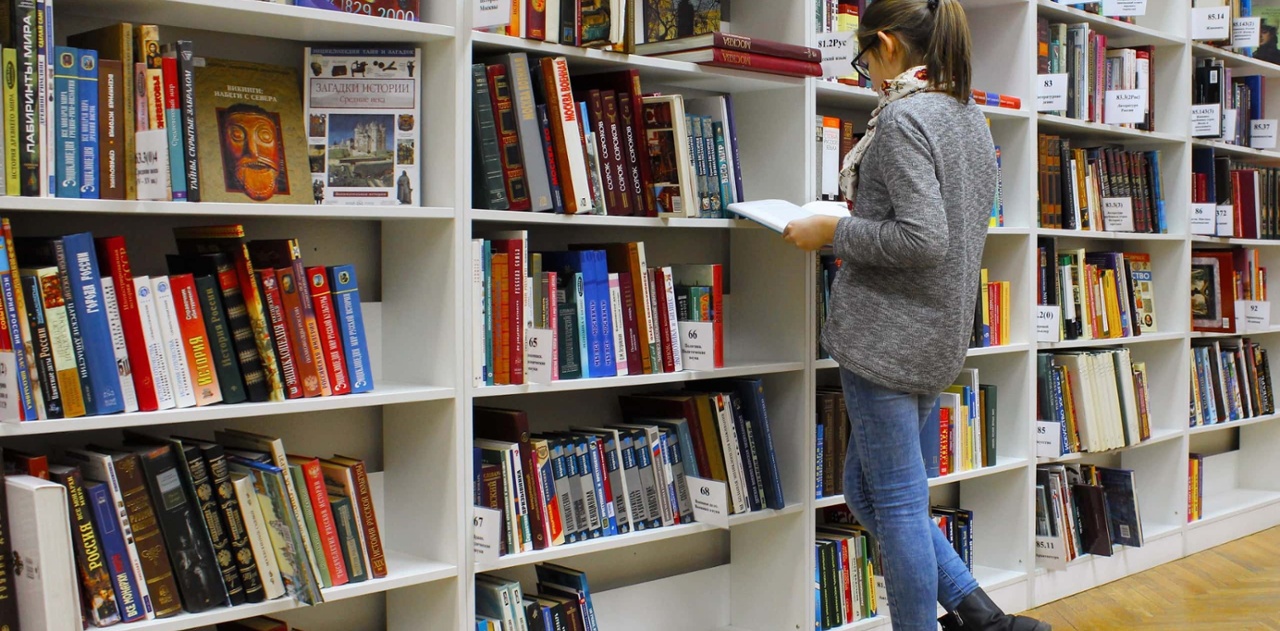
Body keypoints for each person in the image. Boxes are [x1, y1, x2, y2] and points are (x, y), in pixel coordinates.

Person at [783, 1, 1051, 630]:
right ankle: (980, 614)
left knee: (898, 504)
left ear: (887, 45)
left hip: (885, 337)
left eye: (862, 59)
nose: (864, 72)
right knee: (867, 492)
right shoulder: (968, 117)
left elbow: (922, 239)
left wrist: (834, 228)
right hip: (935, 334)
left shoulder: (903, 120)